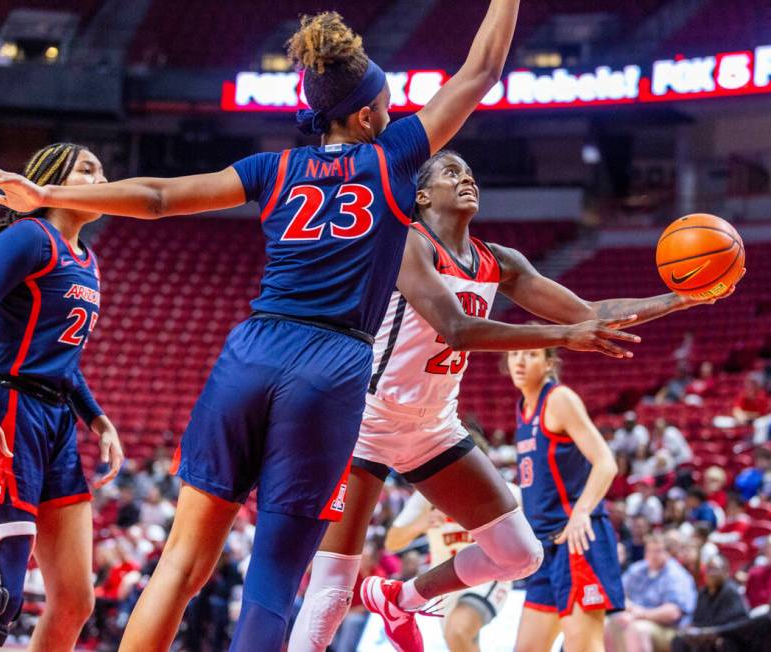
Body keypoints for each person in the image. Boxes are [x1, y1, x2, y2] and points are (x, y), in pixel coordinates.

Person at [0, 6, 553, 650]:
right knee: (273, 577)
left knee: (181, 565)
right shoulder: (394, 157)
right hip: (330, 364)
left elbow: (160, 198)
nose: (391, 116)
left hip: (250, 353)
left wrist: (56, 197)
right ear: (365, 116)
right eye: (385, 106)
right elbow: (483, 69)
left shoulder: (272, 169)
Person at [289, 147, 734, 651]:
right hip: (365, 422)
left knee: (521, 555)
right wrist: (562, 337)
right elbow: (457, 330)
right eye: (451, 172)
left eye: (470, 172)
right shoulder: (406, 244)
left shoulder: (498, 261)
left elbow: (590, 311)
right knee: (330, 589)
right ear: (421, 195)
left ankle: (403, 598)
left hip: (432, 428)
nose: (466, 179)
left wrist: (681, 298)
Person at [0, 143, 123, 652]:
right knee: (0, 599)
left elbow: (61, 360)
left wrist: (97, 419)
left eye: (104, 169)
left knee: (74, 600)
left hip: (56, 421)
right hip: (6, 411)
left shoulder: (89, 258)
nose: (101, 178)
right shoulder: (29, 236)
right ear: (51, 181)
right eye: (88, 169)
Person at [508, 347, 625, 652]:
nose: (519, 361)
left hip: (577, 539)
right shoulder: (523, 407)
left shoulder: (559, 399)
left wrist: (581, 512)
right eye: (513, 353)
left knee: (582, 646)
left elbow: (605, 462)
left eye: (531, 354)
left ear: (549, 363)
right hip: (544, 547)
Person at [382, 436, 521, 652]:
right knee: (458, 641)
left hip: (489, 577)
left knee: (458, 630)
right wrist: (420, 524)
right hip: (446, 584)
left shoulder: (508, 492)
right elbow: (392, 543)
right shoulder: (427, 496)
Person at [606, 533, 697, 652]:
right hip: (635, 617)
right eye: (649, 551)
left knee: (637, 629)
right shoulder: (637, 569)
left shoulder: (676, 575)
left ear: (668, 553)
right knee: (608, 623)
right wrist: (631, 609)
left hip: (670, 630)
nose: (653, 555)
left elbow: (672, 613)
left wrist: (640, 614)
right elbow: (617, 594)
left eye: (658, 551)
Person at [670, 555, 748, 652]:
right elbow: (698, 620)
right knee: (680, 639)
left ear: (725, 572)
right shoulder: (702, 593)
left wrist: (712, 632)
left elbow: (738, 624)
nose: (711, 573)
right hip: (705, 633)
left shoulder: (731, 592)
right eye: (709, 569)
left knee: (720, 643)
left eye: (715, 569)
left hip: (726, 635)